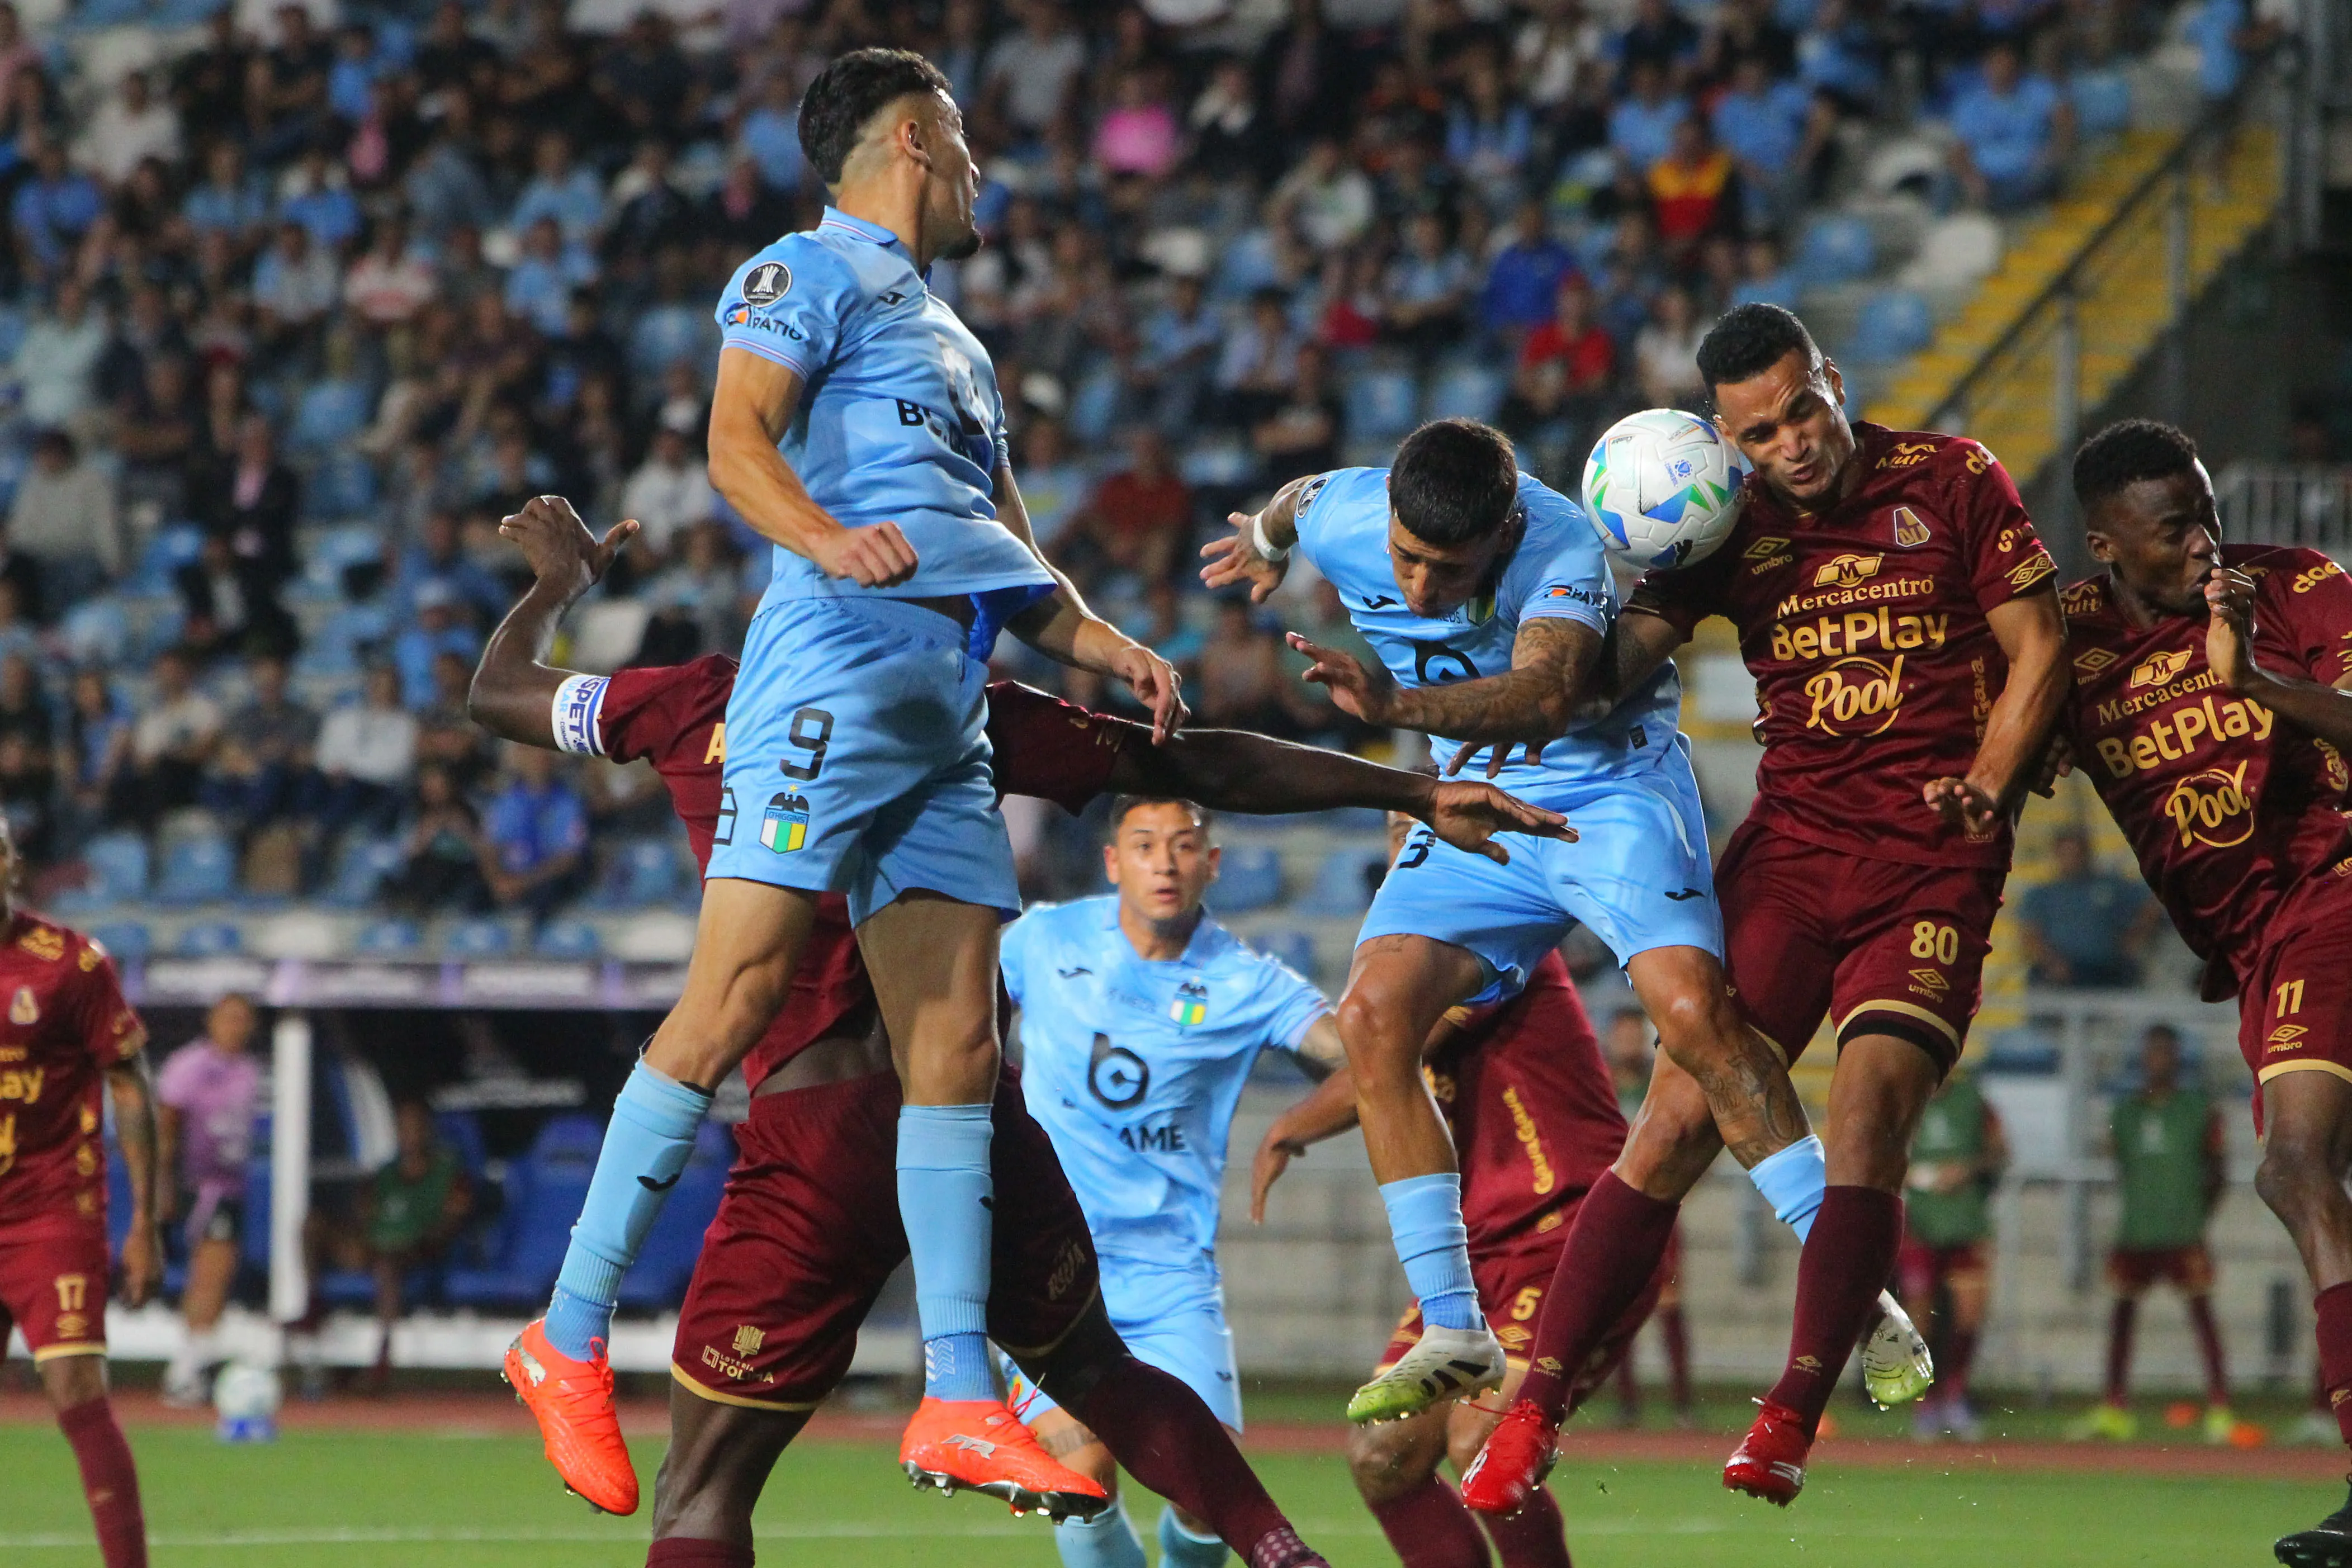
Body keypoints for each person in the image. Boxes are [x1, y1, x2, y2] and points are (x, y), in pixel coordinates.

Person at [468, 496, 1562, 1566]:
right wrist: (1409, 788)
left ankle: (584, 1336)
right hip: (963, 1120)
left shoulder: (701, 698)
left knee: (702, 1486)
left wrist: (558, 585)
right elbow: (1197, 762)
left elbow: (501, 692)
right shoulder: (954, 705)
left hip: (819, 1131)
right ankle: (1282, 1553)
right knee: (1097, 1369)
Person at [504, 50, 1190, 1520]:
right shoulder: (795, 272)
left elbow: (1010, 558)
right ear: (906, 142)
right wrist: (824, 535)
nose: (979, 164)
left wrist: (1101, 638)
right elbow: (731, 443)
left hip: (939, 709)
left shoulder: (960, 349)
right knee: (734, 997)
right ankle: (562, 1336)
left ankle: (952, 1390)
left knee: (951, 1039)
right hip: (821, 682)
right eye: (961, 138)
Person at [1460, 303, 2065, 1512]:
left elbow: (2038, 643)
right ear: (1726, 442)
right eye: (1761, 429)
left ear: (1832, 383)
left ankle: (1790, 1411)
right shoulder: (1721, 523)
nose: (1792, 441)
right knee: (1675, 1123)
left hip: (1931, 856)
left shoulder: (1948, 481)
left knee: (1871, 1107)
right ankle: (1534, 1412)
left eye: (1803, 408)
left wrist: (1990, 787)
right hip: (1789, 855)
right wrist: (1540, 653)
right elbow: (1612, 666)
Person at [1201, 416, 1823, 1430]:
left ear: (1500, 536)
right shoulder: (1347, 511)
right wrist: (1265, 546)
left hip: (1604, 791)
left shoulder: (1563, 544)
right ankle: (1452, 1324)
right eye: (1403, 558)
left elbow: (1543, 698)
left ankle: (1851, 1278)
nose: (1414, 591)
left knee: (1695, 1019)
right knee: (1370, 1020)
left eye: (1445, 571)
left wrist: (1395, 702)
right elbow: (1298, 496)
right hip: (1472, 801)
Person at [2031, 418, 2352, 1560]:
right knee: (2299, 1172)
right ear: (2107, 545)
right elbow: (1996, 717)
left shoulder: (2293, 585)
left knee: (2296, 1163)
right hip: (2259, 951)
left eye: (2208, 511)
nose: (2206, 542)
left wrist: (2254, 679)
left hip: (2334, 887)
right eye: (2175, 530)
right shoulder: (2066, 641)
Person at [1255, 811, 1662, 1568]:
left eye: (1430, 825)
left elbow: (1392, 1047)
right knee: (1382, 1455)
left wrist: (1289, 1125)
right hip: (1475, 1258)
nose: (1411, 839)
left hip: (1571, 1234)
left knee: (1481, 1441)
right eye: (1399, 824)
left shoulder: (1497, 931)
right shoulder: (1397, 962)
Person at [998, 797, 1346, 1568]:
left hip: (1168, 1271)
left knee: (1202, 1495)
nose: (1164, 861)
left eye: (1184, 845)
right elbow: (957, 1018)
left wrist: (1306, 1116)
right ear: (1112, 861)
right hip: (1045, 1260)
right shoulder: (1042, 939)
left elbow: (1356, 1055)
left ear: (1211, 864)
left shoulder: (1245, 980)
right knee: (1079, 1477)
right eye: (1145, 844)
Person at [0, 814, 157, 1568]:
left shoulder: (69, 964)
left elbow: (130, 1084)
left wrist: (145, 1225)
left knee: (73, 1385)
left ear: (11, 865)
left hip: (51, 1208)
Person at [2066, 1024, 2232, 1443]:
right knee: (2121, 1316)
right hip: (2136, 1229)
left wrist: (2196, 1212)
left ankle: (2219, 1408)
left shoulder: (2197, 1108)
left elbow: (2217, 1170)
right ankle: (2114, 1407)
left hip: (2183, 1229)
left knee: (2202, 1317)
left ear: (2176, 1057)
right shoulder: (2125, 1112)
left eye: (2164, 1051)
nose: (2157, 1058)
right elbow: (2120, 1167)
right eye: (2151, 1051)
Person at [155, 993, 264, 1408]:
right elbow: (167, 1123)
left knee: (221, 1268)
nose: (236, 1026)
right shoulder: (190, 1065)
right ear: (211, 1021)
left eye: (243, 1019)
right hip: (200, 1184)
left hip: (233, 1183)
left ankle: (198, 1358)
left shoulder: (248, 1070)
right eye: (229, 1018)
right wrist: (164, 1184)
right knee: (211, 1270)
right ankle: (185, 1369)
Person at [1899, 1063, 2008, 1440]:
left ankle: (1956, 1394)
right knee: (1921, 1318)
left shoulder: (1973, 1102)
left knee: (1969, 1315)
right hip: (1922, 1224)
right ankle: (1926, 1403)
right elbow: (1878, 1150)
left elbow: (2000, 1153)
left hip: (1966, 1223)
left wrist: (1968, 1169)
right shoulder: (1905, 1099)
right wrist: (1914, 1174)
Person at [1603, 1007, 1693, 1428]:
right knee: (1615, 1305)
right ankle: (1627, 1404)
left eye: (1634, 1035)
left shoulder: (1658, 1083)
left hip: (1659, 1203)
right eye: (1621, 1035)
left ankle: (1681, 1403)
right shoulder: (1597, 1084)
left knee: (1669, 1301)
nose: (1628, 1043)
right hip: (1609, 1209)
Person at [357, 1100, 474, 1387]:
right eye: (403, 1127)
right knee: (314, 1227)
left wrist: (419, 1237)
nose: (409, 1134)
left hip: (421, 1253)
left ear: (428, 1131)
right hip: (377, 1246)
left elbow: (457, 1215)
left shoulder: (448, 1171)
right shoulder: (385, 1174)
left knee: (388, 1265)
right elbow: (366, 1213)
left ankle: (382, 1356)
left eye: (415, 1127)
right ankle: (308, 1308)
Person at [2017, 827, 2160, 987]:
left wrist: (2136, 935)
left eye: (2076, 853)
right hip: (2059, 970)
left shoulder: (2110, 886)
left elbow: (2153, 899)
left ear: (2087, 854)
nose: (2071, 859)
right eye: (2066, 854)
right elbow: (2030, 934)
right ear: (2056, 855)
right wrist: (2051, 962)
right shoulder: (2041, 894)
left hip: (2104, 968)